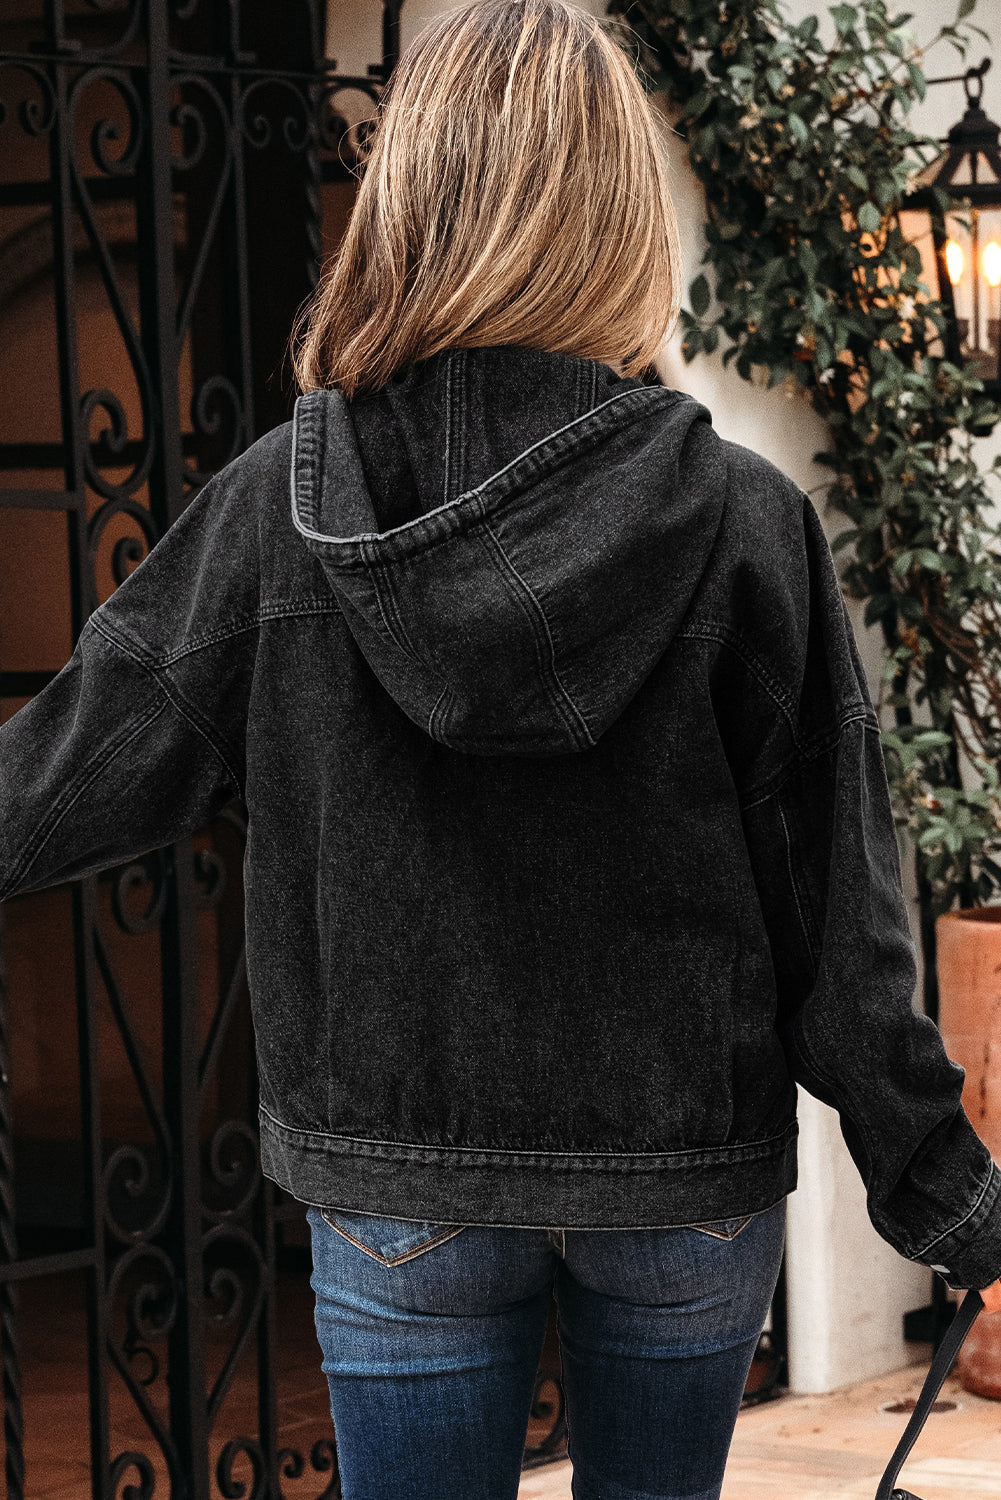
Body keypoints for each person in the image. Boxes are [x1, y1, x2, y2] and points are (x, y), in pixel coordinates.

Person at [2, 0, 1000, 1495]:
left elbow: (54, 784)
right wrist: (947, 1197)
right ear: (613, 216)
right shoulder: (740, 525)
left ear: (409, 194)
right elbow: (839, 932)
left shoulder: (279, 510)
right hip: (677, 1184)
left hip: (400, 1172)